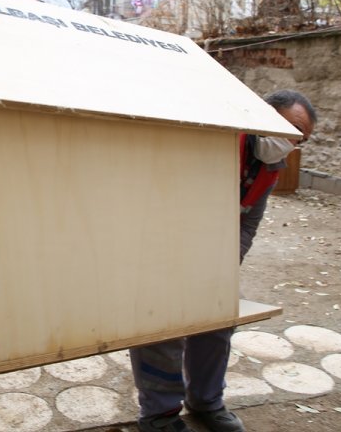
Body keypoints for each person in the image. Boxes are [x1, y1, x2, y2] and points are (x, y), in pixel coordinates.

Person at [130, 89, 317, 432]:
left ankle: (206, 401)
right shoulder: (216, 139)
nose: (290, 143)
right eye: (288, 131)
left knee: (218, 322)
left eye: (298, 139)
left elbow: (247, 223)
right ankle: (159, 416)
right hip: (162, 247)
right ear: (260, 115)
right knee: (162, 327)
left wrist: (223, 268)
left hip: (209, 257)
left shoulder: (270, 167)